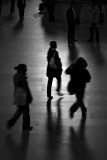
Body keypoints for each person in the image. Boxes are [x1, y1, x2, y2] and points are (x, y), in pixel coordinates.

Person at [7, 64, 33, 131]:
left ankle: (11, 122)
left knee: (20, 110)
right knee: (26, 112)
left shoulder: (15, 76)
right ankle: (25, 126)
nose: (26, 70)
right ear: (22, 70)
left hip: (17, 95)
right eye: (25, 69)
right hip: (23, 96)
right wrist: (29, 96)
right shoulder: (22, 77)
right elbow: (25, 88)